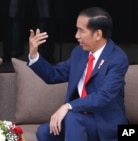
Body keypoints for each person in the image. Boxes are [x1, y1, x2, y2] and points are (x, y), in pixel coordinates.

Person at [28, 7, 129, 141]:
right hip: (78, 121)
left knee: (72, 116)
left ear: (98, 34)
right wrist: (34, 55)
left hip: (104, 125)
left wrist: (68, 106)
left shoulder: (117, 58)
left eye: (81, 31)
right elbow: (53, 75)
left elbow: (103, 96)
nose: (76, 35)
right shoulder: (79, 53)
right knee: (45, 132)